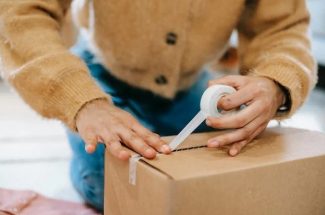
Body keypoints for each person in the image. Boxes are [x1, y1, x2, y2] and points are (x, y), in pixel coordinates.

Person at [0, 0, 316, 211]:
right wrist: (80, 101)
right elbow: (19, 14)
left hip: (191, 83)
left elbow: (283, 28)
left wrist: (276, 83)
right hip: (99, 73)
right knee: (109, 184)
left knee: (222, 173)